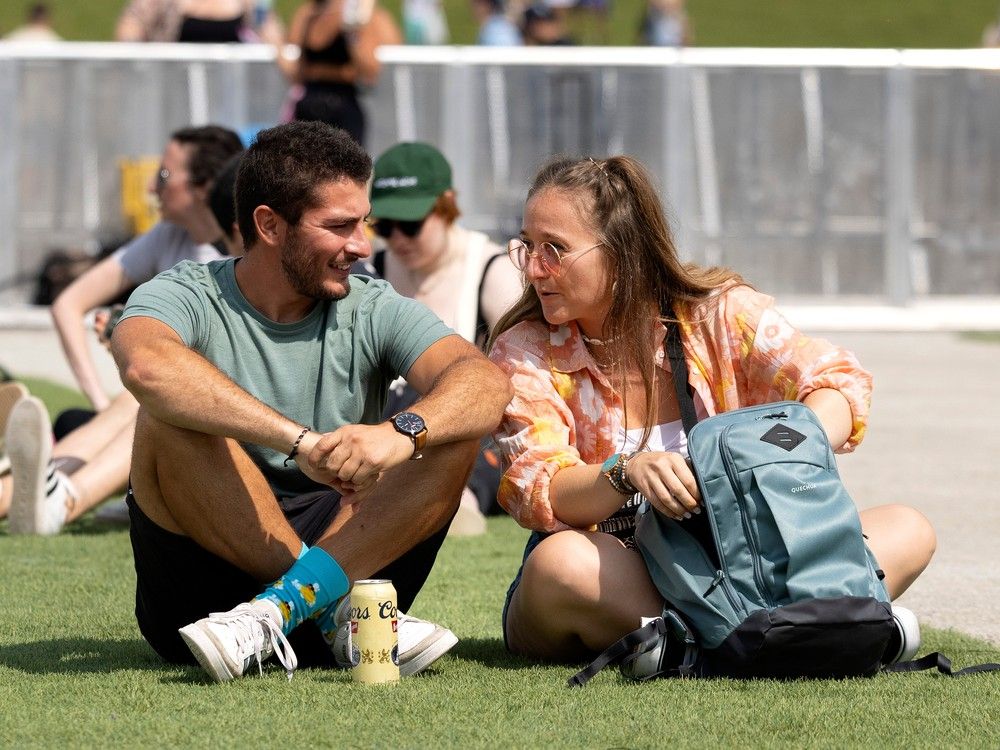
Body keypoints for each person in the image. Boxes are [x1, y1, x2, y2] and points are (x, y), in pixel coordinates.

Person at [487, 155, 936, 663]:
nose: (534, 268)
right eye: (527, 246)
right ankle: (817, 624)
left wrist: (765, 450)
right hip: (617, 574)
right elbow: (541, 487)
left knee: (909, 527)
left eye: (555, 249)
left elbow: (838, 383)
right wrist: (627, 472)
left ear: (622, 251)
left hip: (739, 564)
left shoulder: (717, 313)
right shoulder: (523, 351)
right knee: (557, 566)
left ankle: (695, 645)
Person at [110, 121, 512, 681]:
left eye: (363, 223)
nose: (363, 245)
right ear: (269, 225)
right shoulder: (184, 292)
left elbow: (484, 384)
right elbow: (146, 366)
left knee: (449, 431)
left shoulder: (371, 304)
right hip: (203, 612)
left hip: (338, 555)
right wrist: (298, 443)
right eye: (340, 226)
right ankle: (325, 606)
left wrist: (401, 432)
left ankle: (278, 610)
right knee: (165, 414)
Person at [0, 152, 246, 536]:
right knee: (103, 412)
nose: (152, 187)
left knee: (157, 401)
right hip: (178, 422)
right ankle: (36, 490)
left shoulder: (241, 275)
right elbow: (70, 304)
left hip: (218, 439)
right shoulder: (179, 246)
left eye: (164, 175)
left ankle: (58, 497)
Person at [369, 142, 523, 529]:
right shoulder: (372, 270)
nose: (398, 239)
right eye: (385, 227)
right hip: (384, 435)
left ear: (447, 205)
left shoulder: (493, 273)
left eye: (411, 224)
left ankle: (456, 503)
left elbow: (522, 383)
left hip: (465, 441)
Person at [276, 0, 401, 147]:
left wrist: (352, 33)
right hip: (309, 106)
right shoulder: (308, 14)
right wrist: (274, 43)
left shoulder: (362, 14)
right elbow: (298, 74)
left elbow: (370, 71)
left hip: (342, 107)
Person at [115, 0, 282, 43]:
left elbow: (271, 31)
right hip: (174, 87)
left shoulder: (249, 3)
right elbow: (132, 24)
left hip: (230, 90)